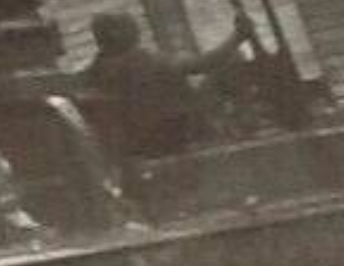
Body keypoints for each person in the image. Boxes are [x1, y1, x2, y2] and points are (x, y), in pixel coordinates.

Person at [69, 13, 242, 161]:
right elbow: (201, 64)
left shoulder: (96, 71)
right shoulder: (140, 61)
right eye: (130, 25)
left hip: (131, 155)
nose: (136, 29)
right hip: (170, 145)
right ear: (116, 33)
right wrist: (237, 37)